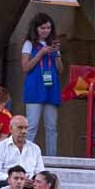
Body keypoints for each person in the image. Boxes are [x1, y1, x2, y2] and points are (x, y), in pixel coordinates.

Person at [20, 13, 62, 156]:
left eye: (48, 28)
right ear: (36, 28)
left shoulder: (53, 44)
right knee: (31, 126)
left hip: (51, 87)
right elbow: (25, 68)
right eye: (42, 28)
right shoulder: (29, 44)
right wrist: (41, 53)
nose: (46, 31)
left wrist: (56, 54)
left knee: (52, 127)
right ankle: (26, 156)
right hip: (35, 87)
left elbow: (60, 70)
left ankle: (52, 157)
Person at [0, 116, 44, 185]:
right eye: (20, 128)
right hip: (7, 185)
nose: (24, 131)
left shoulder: (35, 148)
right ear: (10, 128)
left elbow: (40, 172)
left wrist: (33, 181)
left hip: (30, 186)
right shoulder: (0, 147)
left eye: (26, 128)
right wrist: (17, 180)